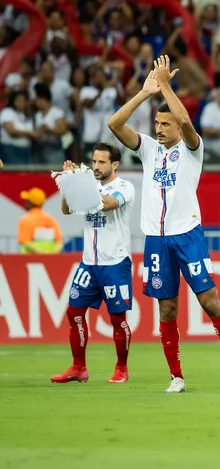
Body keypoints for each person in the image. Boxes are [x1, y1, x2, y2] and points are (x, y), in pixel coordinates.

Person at [108, 56, 220, 393]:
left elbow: (187, 120)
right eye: (157, 124)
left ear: (177, 127)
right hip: (156, 239)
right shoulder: (148, 149)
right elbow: (115, 125)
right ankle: (176, 377)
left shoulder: (193, 150)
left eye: (165, 124)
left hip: (188, 235)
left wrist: (168, 87)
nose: (159, 129)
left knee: (210, 301)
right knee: (167, 308)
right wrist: (147, 92)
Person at [51, 145, 135, 385]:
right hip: (89, 263)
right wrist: (69, 184)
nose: (96, 166)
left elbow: (107, 204)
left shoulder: (125, 188)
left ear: (115, 164)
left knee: (117, 318)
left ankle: (121, 368)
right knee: (74, 312)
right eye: (94, 161)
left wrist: (81, 183)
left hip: (115, 263)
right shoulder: (91, 185)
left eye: (102, 162)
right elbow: (67, 210)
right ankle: (79, 368)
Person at [17, 187, 62, 253]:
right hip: (50, 261)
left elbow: (25, 242)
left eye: (26, 200)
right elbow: (59, 243)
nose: (25, 203)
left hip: (29, 260)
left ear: (30, 203)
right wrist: (50, 254)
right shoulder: (52, 220)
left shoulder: (25, 220)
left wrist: (40, 253)